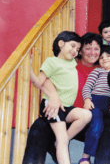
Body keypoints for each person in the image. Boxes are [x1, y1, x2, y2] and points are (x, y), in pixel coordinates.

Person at [23, 32, 110, 164]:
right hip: (66, 115)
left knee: (109, 125)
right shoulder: (70, 63)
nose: (92, 52)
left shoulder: (104, 70)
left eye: (97, 49)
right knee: (39, 125)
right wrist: (54, 96)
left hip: (89, 122)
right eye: (87, 48)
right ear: (80, 51)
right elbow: (46, 79)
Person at [29, 31, 92, 164]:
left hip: (66, 107)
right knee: (62, 139)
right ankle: (62, 145)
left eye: (78, 49)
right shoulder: (51, 62)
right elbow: (39, 83)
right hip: (52, 106)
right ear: (61, 44)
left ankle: (59, 143)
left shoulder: (72, 63)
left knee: (86, 115)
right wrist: (28, 70)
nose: (75, 51)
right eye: (72, 46)